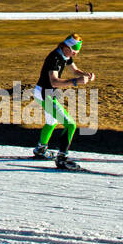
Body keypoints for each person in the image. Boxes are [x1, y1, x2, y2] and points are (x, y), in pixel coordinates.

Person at [32, 34, 94, 170]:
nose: (74, 55)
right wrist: (75, 82)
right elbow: (54, 81)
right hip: (45, 94)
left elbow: (75, 70)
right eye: (73, 52)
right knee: (70, 125)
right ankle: (62, 158)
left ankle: (40, 150)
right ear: (67, 47)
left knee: (52, 122)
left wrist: (85, 75)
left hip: (44, 92)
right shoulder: (55, 58)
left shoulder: (65, 55)